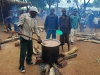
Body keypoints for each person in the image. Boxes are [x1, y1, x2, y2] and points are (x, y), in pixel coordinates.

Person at [17, 6, 42, 73]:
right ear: (31, 12)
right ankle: (21, 66)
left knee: (30, 51)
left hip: (30, 37)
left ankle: (28, 61)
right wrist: (20, 31)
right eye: (35, 13)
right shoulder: (24, 16)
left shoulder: (34, 20)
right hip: (24, 37)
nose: (36, 14)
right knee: (23, 52)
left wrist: (39, 37)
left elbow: (36, 29)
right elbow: (20, 24)